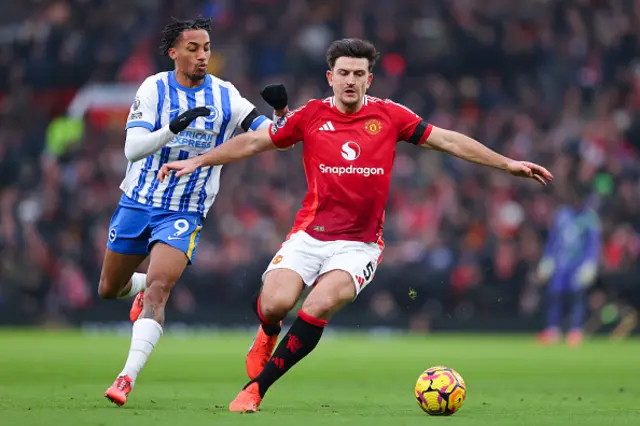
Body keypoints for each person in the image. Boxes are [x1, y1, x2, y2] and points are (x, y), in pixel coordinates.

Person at [159, 38, 554, 412]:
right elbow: (252, 143)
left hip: (358, 246)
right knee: (276, 303)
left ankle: (257, 388)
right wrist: (198, 160)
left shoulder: (390, 116)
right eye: (343, 73)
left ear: (370, 79)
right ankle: (267, 329)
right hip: (307, 236)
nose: (351, 80)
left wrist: (507, 164)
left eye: (358, 73)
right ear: (330, 77)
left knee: (318, 304)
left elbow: (448, 141)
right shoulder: (310, 116)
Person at [101, 17, 285, 407]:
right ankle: (136, 288)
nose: (203, 56)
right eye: (193, 48)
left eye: (206, 48)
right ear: (173, 53)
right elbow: (132, 150)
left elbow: (268, 135)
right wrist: (173, 128)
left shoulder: (225, 94)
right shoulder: (153, 88)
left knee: (159, 291)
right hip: (138, 200)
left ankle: (125, 378)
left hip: (185, 209)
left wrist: (282, 114)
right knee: (109, 289)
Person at [537, 182, 601, 346]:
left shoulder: (589, 218)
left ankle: (575, 330)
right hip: (560, 264)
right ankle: (553, 330)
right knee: (555, 296)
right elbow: (553, 240)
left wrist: (590, 264)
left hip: (578, 265)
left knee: (578, 297)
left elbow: (593, 244)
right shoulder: (562, 215)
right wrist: (547, 259)